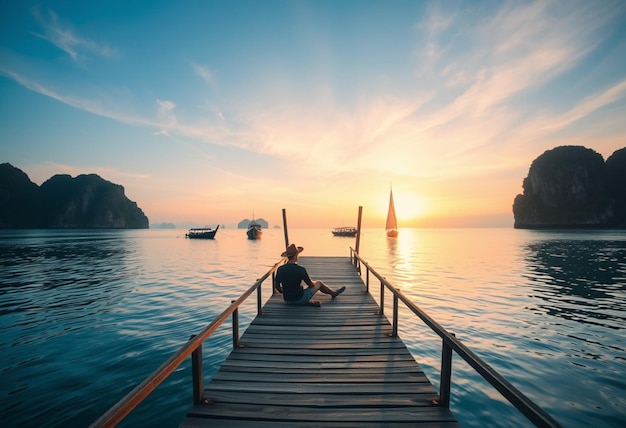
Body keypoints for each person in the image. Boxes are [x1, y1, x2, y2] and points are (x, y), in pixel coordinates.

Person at [274, 243, 345, 307]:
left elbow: (277, 286)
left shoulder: (280, 269)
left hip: (287, 300)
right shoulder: (300, 269)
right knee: (319, 283)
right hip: (299, 299)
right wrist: (313, 283)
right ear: (296, 255)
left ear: (287, 256)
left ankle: (309, 302)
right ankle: (333, 293)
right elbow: (311, 285)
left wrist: (286, 292)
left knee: (301, 289)